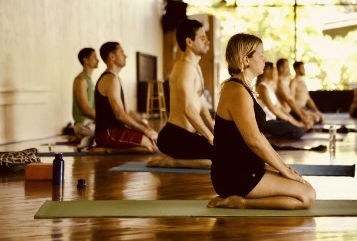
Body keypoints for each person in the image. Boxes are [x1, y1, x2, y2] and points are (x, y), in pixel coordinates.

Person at [209, 33, 316, 210]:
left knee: (306, 189)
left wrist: (284, 167)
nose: (264, 59)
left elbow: (258, 136)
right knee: (307, 196)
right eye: (260, 55)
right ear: (246, 60)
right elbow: (254, 141)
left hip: (247, 168)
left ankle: (241, 199)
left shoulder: (242, 88)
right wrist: (284, 170)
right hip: (234, 175)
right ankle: (240, 202)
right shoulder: (236, 91)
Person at [150, 19, 214, 168]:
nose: (208, 42)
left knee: (229, 152)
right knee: (224, 159)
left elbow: (201, 103)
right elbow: (187, 109)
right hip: (174, 137)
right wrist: (209, 136)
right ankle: (173, 161)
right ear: (189, 42)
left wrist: (213, 131)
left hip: (187, 135)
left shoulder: (195, 67)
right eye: (202, 38)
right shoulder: (184, 68)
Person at [94, 42, 158, 152]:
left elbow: (129, 111)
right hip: (108, 133)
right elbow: (120, 115)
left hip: (118, 130)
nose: (125, 55)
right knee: (150, 148)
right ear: (112, 57)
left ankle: (109, 148)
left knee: (153, 142)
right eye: (121, 52)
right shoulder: (110, 79)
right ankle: (106, 149)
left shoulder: (117, 79)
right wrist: (144, 131)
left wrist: (146, 127)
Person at [255, 62, 306, 139]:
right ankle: (267, 135)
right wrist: (292, 121)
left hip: (272, 120)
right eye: (274, 70)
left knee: (300, 128)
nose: (276, 72)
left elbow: (279, 106)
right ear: (268, 71)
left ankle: (270, 135)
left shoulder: (269, 87)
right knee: (299, 130)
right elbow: (273, 109)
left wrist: (292, 119)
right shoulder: (262, 87)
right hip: (266, 122)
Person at [275, 58, 314, 129]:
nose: (289, 69)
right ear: (281, 68)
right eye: (287, 67)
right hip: (285, 114)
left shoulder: (285, 82)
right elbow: (290, 102)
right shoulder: (279, 83)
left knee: (311, 120)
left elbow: (292, 101)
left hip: (290, 112)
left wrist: (302, 113)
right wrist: (302, 117)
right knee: (307, 124)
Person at [72, 48, 99, 149]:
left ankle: (83, 138)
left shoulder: (89, 80)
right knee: (108, 134)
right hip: (83, 124)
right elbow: (85, 109)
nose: (98, 60)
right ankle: (83, 142)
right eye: (94, 57)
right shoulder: (81, 80)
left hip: (90, 122)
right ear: (86, 60)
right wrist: (104, 118)